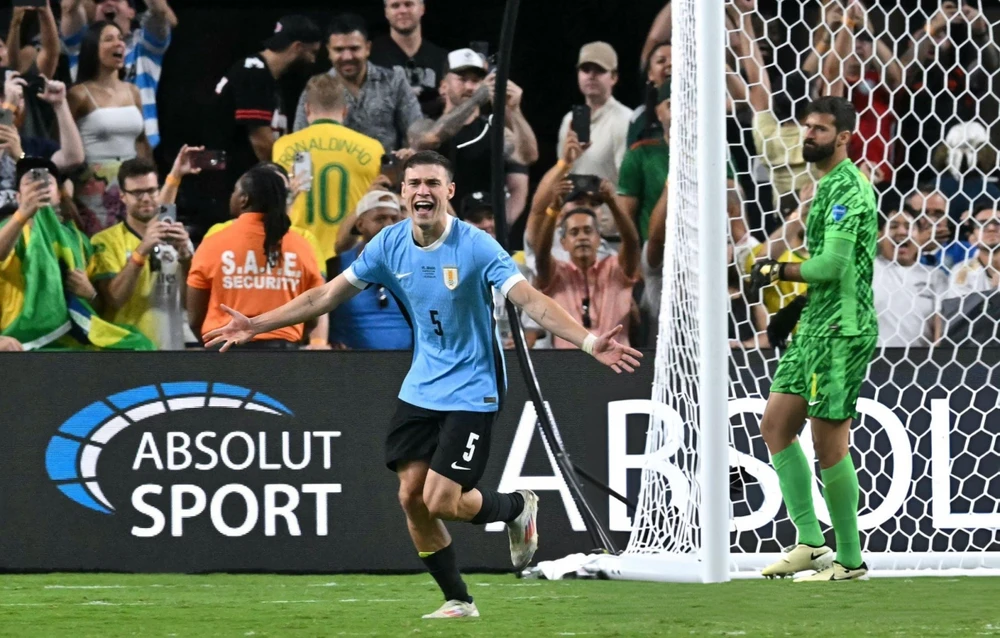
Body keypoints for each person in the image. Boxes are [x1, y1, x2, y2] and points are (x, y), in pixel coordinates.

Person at [203, 151, 642, 618]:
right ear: (404, 192)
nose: (422, 191)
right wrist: (256, 324)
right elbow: (326, 294)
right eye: (413, 184)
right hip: (422, 386)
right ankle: (459, 600)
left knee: (441, 499)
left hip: (475, 386)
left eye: (433, 183)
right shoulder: (390, 244)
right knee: (411, 497)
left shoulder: (476, 246)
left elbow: (531, 300)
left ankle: (514, 506)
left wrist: (590, 342)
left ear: (449, 191)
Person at [748, 96, 878, 581]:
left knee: (829, 445)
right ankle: (809, 541)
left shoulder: (846, 189)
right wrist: (795, 309)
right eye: (806, 127)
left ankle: (850, 559)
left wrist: (776, 269)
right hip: (815, 326)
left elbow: (834, 266)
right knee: (776, 425)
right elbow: (831, 270)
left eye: (820, 130)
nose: (809, 136)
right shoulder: (820, 188)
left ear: (843, 137)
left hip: (842, 331)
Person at [186, 165, 326, 349]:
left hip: (224, 353)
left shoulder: (214, 242)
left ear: (244, 199)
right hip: (284, 356)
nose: (232, 196)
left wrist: (211, 343)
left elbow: (195, 316)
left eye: (235, 191)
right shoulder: (302, 246)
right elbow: (313, 312)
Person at [206, 15, 322, 229]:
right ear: (297, 47)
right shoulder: (254, 73)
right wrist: (286, 180)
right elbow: (260, 140)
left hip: (239, 181)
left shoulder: (266, 76)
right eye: (312, 52)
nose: (314, 61)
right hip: (229, 184)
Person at [274, 73, 383, 264]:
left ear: (307, 110)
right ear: (345, 111)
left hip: (300, 257)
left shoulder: (283, 147)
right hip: (351, 260)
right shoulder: (373, 149)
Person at [90, 157, 194, 350]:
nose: (146, 198)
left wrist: (187, 259)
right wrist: (141, 251)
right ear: (123, 196)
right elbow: (114, 299)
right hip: (126, 351)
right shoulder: (104, 241)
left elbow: (192, 305)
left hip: (172, 348)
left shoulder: (179, 240)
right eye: (137, 193)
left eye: (151, 191)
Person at [533, 179, 641, 349]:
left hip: (617, 365)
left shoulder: (616, 269)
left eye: (588, 231)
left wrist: (612, 202)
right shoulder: (556, 275)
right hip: (568, 369)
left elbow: (632, 242)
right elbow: (541, 255)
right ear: (563, 243)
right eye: (574, 232)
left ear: (599, 239)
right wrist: (554, 208)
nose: (582, 237)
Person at [292, 13, 421, 154]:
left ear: (367, 48)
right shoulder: (314, 89)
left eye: (354, 48)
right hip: (333, 172)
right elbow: (299, 143)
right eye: (339, 50)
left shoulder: (394, 81)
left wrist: (412, 151)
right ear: (328, 51)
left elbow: (415, 128)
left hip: (386, 173)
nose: (347, 57)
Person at [67, 20, 150, 234]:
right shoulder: (78, 94)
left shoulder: (133, 91)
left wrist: (149, 179)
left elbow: (141, 141)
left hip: (131, 185)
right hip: (92, 189)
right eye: (109, 39)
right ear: (93, 48)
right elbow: (61, 144)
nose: (119, 44)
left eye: (121, 39)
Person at [61, 0, 176, 149]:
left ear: (131, 12)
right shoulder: (81, 46)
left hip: (140, 154)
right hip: (91, 154)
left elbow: (159, 11)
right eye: (99, 1)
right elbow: (69, 8)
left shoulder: (145, 46)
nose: (108, 2)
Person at [328, 189, 411, 350]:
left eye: (394, 219)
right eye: (380, 219)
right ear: (360, 224)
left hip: (405, 366)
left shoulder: (416, 265)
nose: (388, 225)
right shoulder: (336, 266)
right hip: (349, 366)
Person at [872, 209, 945, 347]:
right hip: (873, 359)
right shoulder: (867, 270)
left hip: (919, 362)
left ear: (919, 237)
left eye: (909, 227)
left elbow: (941, 327)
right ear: (880, 236)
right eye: (893, 226)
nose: (901, 232)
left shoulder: (935, 276)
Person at [369, 0, 448, 118]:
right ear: (386, 12)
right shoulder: (370, 56)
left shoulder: (442, 57)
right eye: (395, 6)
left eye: (408, 4)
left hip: (432, 131)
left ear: (422, 9)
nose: (403, 10)